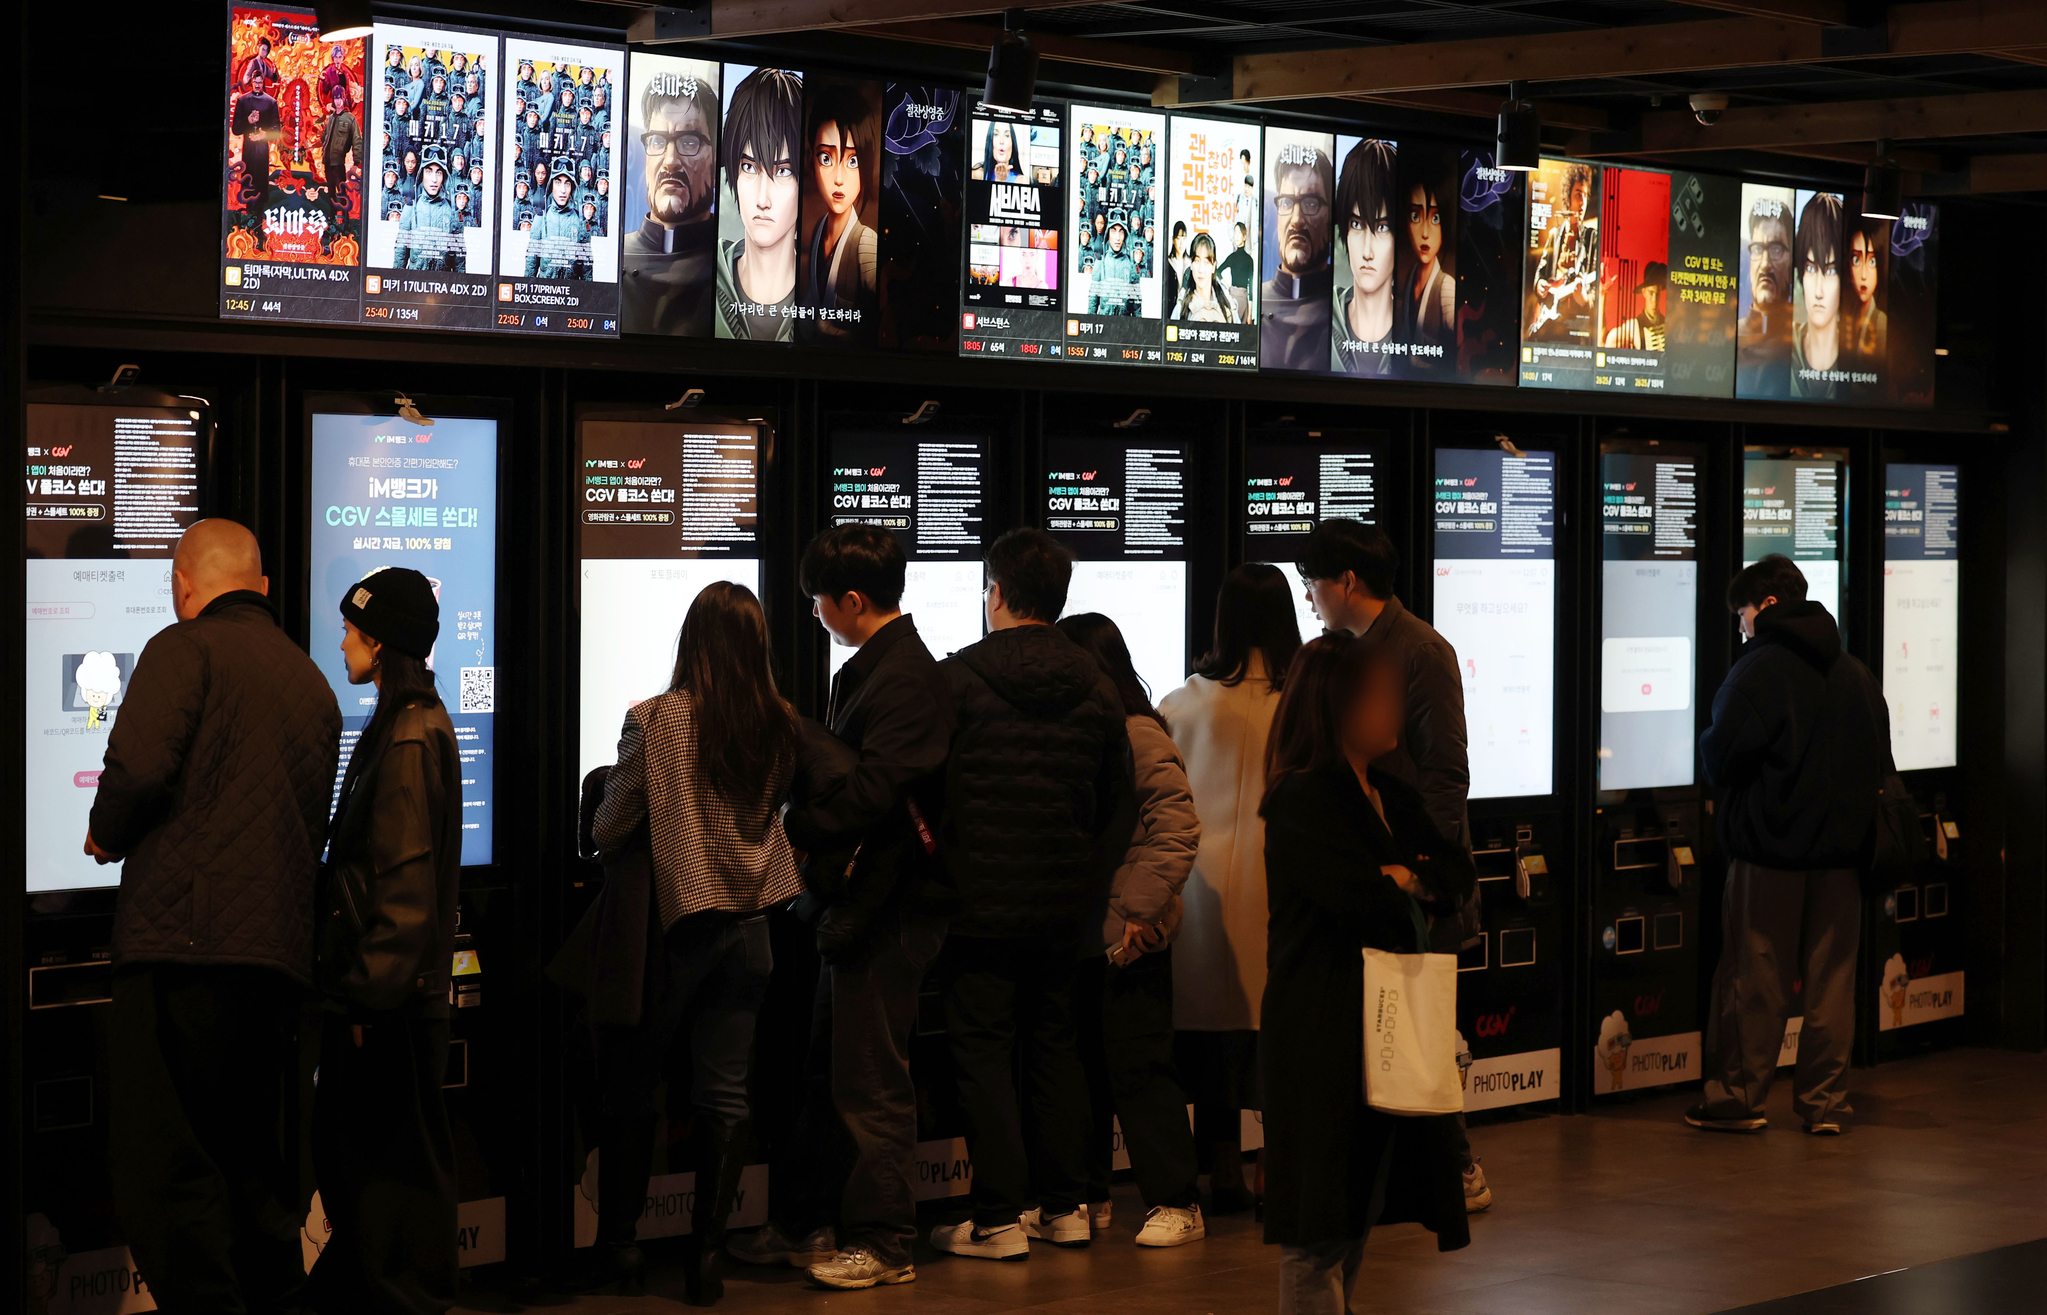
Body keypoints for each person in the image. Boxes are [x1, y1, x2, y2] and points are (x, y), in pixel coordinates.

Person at [87, 519, 341, 1315]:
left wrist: (105, 832)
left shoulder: (182, 647)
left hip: (181, 953)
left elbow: (135, 764)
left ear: (183, 585)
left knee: (167, 1172)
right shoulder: (312, 682)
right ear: (261, 588)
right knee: (254, 1175)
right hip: (278, 971)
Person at [729, 525, 955, 1291]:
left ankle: (886, 1241)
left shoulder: (906, 679)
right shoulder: (878, 667)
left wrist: (795, 822)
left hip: (891, 908)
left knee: (869, 1083)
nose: (817, 615)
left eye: (821, 602)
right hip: (861, 905)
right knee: (832, 1072)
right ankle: (806, 1222)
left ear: (852, 600)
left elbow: (873, 793)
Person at [587, 582, 805, 1303]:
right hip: (751, 929)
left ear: (692, 641)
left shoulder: (654, 720)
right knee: (725, 1094)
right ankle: (704, 1262)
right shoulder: (779, 723)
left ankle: (618, 1247)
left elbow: (609, 827)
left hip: (673, 932)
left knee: (633, 1088)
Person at [928, 529, 1134, 1261]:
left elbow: (929, 788)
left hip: (976, 904)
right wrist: (1088, 878)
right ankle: (1065, 1205)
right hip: (1063, 906)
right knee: (1056, 1047)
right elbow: (1120, 800)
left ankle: (995, 1219)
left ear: (996, 593)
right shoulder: (1097, 684)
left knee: (982, 1052)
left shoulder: (958, 678)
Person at [1260, 635, 1474, 1313]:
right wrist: (1407, 883)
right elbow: (1360, 900)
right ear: (1337, 706)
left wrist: (1408, 877)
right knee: (1317, 1223)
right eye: (1378, 695)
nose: (1392, 708)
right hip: (1322, 1031)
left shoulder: (1389, 791)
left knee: (1357, 1208)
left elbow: (1455, 874)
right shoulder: (1300, 799)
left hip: (1386, 1023)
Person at [1294, 519, 1488, 1211]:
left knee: (1419, 1030)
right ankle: (1414, 1174)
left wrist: (1422, 873)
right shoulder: (1340, 652)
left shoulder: (1419, 650)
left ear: (1344, 581)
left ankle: (1457, 1169)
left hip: (1414, 886)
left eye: (1310, 581)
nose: (1309, 596)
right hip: (1369, 882)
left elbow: (1444, 773)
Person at [305, 568, 463, 1315]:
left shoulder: (405, 736)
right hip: (392, 997)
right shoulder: (409, 719)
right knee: (382, 1172)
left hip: (387, 1005)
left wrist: (365, 995)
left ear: (381, 641)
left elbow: (403, 890)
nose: (341, 643)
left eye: (350, 630)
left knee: (386, 1175)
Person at [1689, 555, 1890, 1136]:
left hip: (1769, 853)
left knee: (1755, 980)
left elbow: (1720, 757)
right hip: (1843, 860)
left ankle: (1738, 1098)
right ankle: (1825, 1104)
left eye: (1743, 613)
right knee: (1832, 985)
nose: (1741, 626)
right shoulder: (1854, 671)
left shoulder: (1758, 671)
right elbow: (1880, 757)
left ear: (1767, 606)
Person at [1054, 613, 1204, 1248]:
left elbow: (1178, 828)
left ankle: (1176, 1202)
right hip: (1091, 932)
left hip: (1128, 939)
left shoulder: (1138, 733)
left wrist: (1139, 913)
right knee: (1086, 1069)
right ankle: (1090, 1196)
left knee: (1140, 1070)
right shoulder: (1092, 731)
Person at [1159, 564, 1301, 1216]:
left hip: (1199, 893)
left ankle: (1218, 1167)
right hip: (1279, 888)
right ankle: (1279, 1169)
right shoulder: (1302, 703)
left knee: (1207, 1034)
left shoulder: (1180, 704)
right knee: (1276, 1036)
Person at [717, 67, 802, 340]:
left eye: (783, 171)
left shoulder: (830, 292)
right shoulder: (704, 277)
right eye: (749, 166)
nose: (762, 199)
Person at [801, 83, 878, 344]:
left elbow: (877, 327)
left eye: (852, 161)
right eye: (826, 158)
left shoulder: (866, 243)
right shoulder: (818, 229)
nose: (838, 178)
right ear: (811, 158)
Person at [1261, 139, 1333, 370]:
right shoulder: (1249, 305)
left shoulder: (1348, 312)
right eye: (1286, 202)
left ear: (1332, 218)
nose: (1296, 220)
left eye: (1310, 203)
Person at [1331, 139, 1398, 374]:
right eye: (1357, 224)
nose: (1367, 252)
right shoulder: (1323, 316)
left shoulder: (1420, 327)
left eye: (1382, 228)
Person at [1528, 163, 1596, 342]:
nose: (1583, 202)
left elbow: (1596, 292)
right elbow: (1540, 273)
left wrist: (1585, 299)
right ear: (1568, 197)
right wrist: (1540, 284)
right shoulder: (1554, 235)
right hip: (1549, 325)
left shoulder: (1593, 238)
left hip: (1576, 330)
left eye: (1586, 196)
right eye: (1578, 195)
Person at [1738, 192, 1796, 397]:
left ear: (1792, 263)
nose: (1765, 264)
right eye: (1757, 249)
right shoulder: (1730, 336)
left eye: (1776, 249)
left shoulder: (1802, 343)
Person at [1791, 191, 1845, 400]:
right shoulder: (1782, 348)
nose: (1819, 292)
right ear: (1801, 272)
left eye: (1830, 271)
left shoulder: (1860, 353)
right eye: (1811, 269)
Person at [1400, 153, 1455, 351]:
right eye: (1415, 216)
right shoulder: (1410, 279)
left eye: (1435, 218)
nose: (1424, 233)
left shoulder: (1447, 289)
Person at [1174, 231, 1245, 323]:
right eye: (1197, 261)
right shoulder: (1182, 306)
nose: (1201, 269)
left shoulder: (1228, 305)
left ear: (1213, 266)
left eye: (1206, 262)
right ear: (1191, 264)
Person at [1844, 217, 1888, 365]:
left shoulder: (1881, 323)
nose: (1863, 275)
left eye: (1872, 261)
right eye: (1856, 260)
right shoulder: (1848, 316)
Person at [1602, 262, 1668, 351]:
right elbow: (1604, 343)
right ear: (1644, 292)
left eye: (1657, 294)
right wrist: (1602, 295)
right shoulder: (1634, 326)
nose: (1654, 300)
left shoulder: (1669, 323)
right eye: (1651, 293)